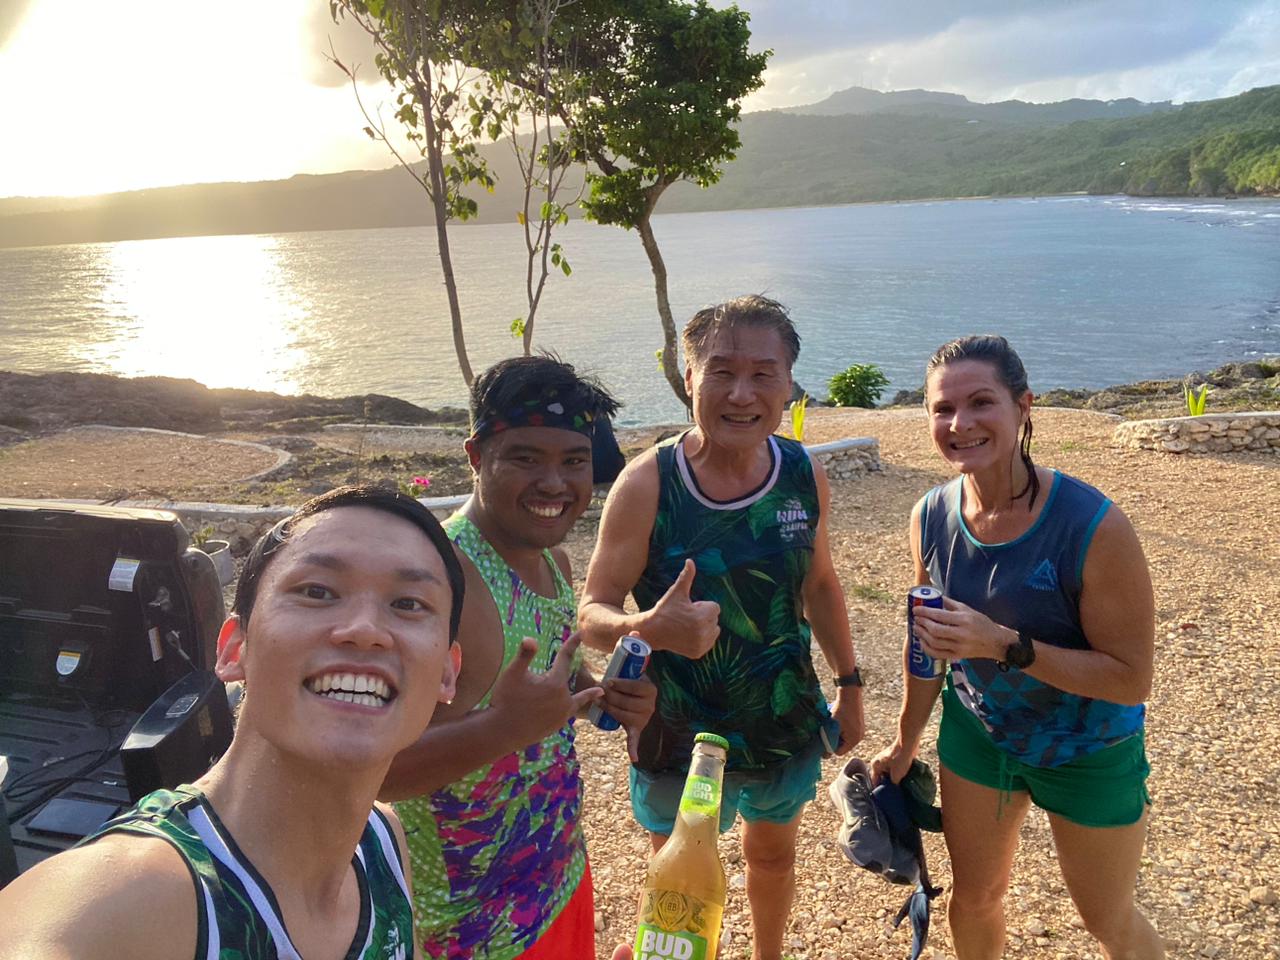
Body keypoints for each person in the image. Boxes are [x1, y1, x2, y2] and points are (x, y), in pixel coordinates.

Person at [0, 484, 466, 960]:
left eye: (409, 604)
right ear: (233, 648)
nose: (365, 631)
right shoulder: (133, 898)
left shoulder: (382, 846)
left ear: (448, 673)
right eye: (317, 591)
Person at [580, 295, 866, 960]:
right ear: (689, 379)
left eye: (764, 374)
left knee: (772, 856)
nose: (742, 394)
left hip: (779, 714)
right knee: (679, 881)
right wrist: (647, 627)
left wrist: (850, 685)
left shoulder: (802, 472)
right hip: (676, 729)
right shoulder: (649, 481)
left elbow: (819, 584)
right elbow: (592, 612)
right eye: (720, 372)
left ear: (789, 383)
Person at [872, 335, 1164, 960]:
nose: (960, 424)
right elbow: (927, 644)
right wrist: (904, 741)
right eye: (942, 409)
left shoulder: (1092, 527)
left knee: (1106, 919)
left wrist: (1002, 643)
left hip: (1088, 747)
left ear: (1024, 406)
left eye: (982, 403)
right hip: (979, 736)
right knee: (973, 898)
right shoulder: (930, 516)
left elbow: (1130, 679)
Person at [383, 355, 657, 960]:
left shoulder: (554, 565)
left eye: (574, 461)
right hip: (466, 924)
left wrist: (598, 697)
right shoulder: (441, 580)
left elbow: (545, 689)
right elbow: (379, 770)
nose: (555, 484)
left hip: (557, 873)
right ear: (478, 456)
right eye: (526, 458)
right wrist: (504, 727)